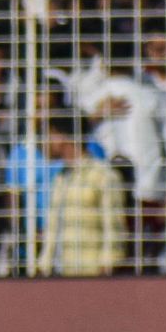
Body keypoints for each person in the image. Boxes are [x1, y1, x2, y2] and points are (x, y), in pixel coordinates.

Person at [39, 110, 126, 276]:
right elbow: (52, 228)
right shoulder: (61, 178)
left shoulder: (104, 176)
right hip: (60, 274)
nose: (44, 142)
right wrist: (44, 265)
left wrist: (107, 268)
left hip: (90, 274)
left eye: (49, 135)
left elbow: (114, 228)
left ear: (62, 136)